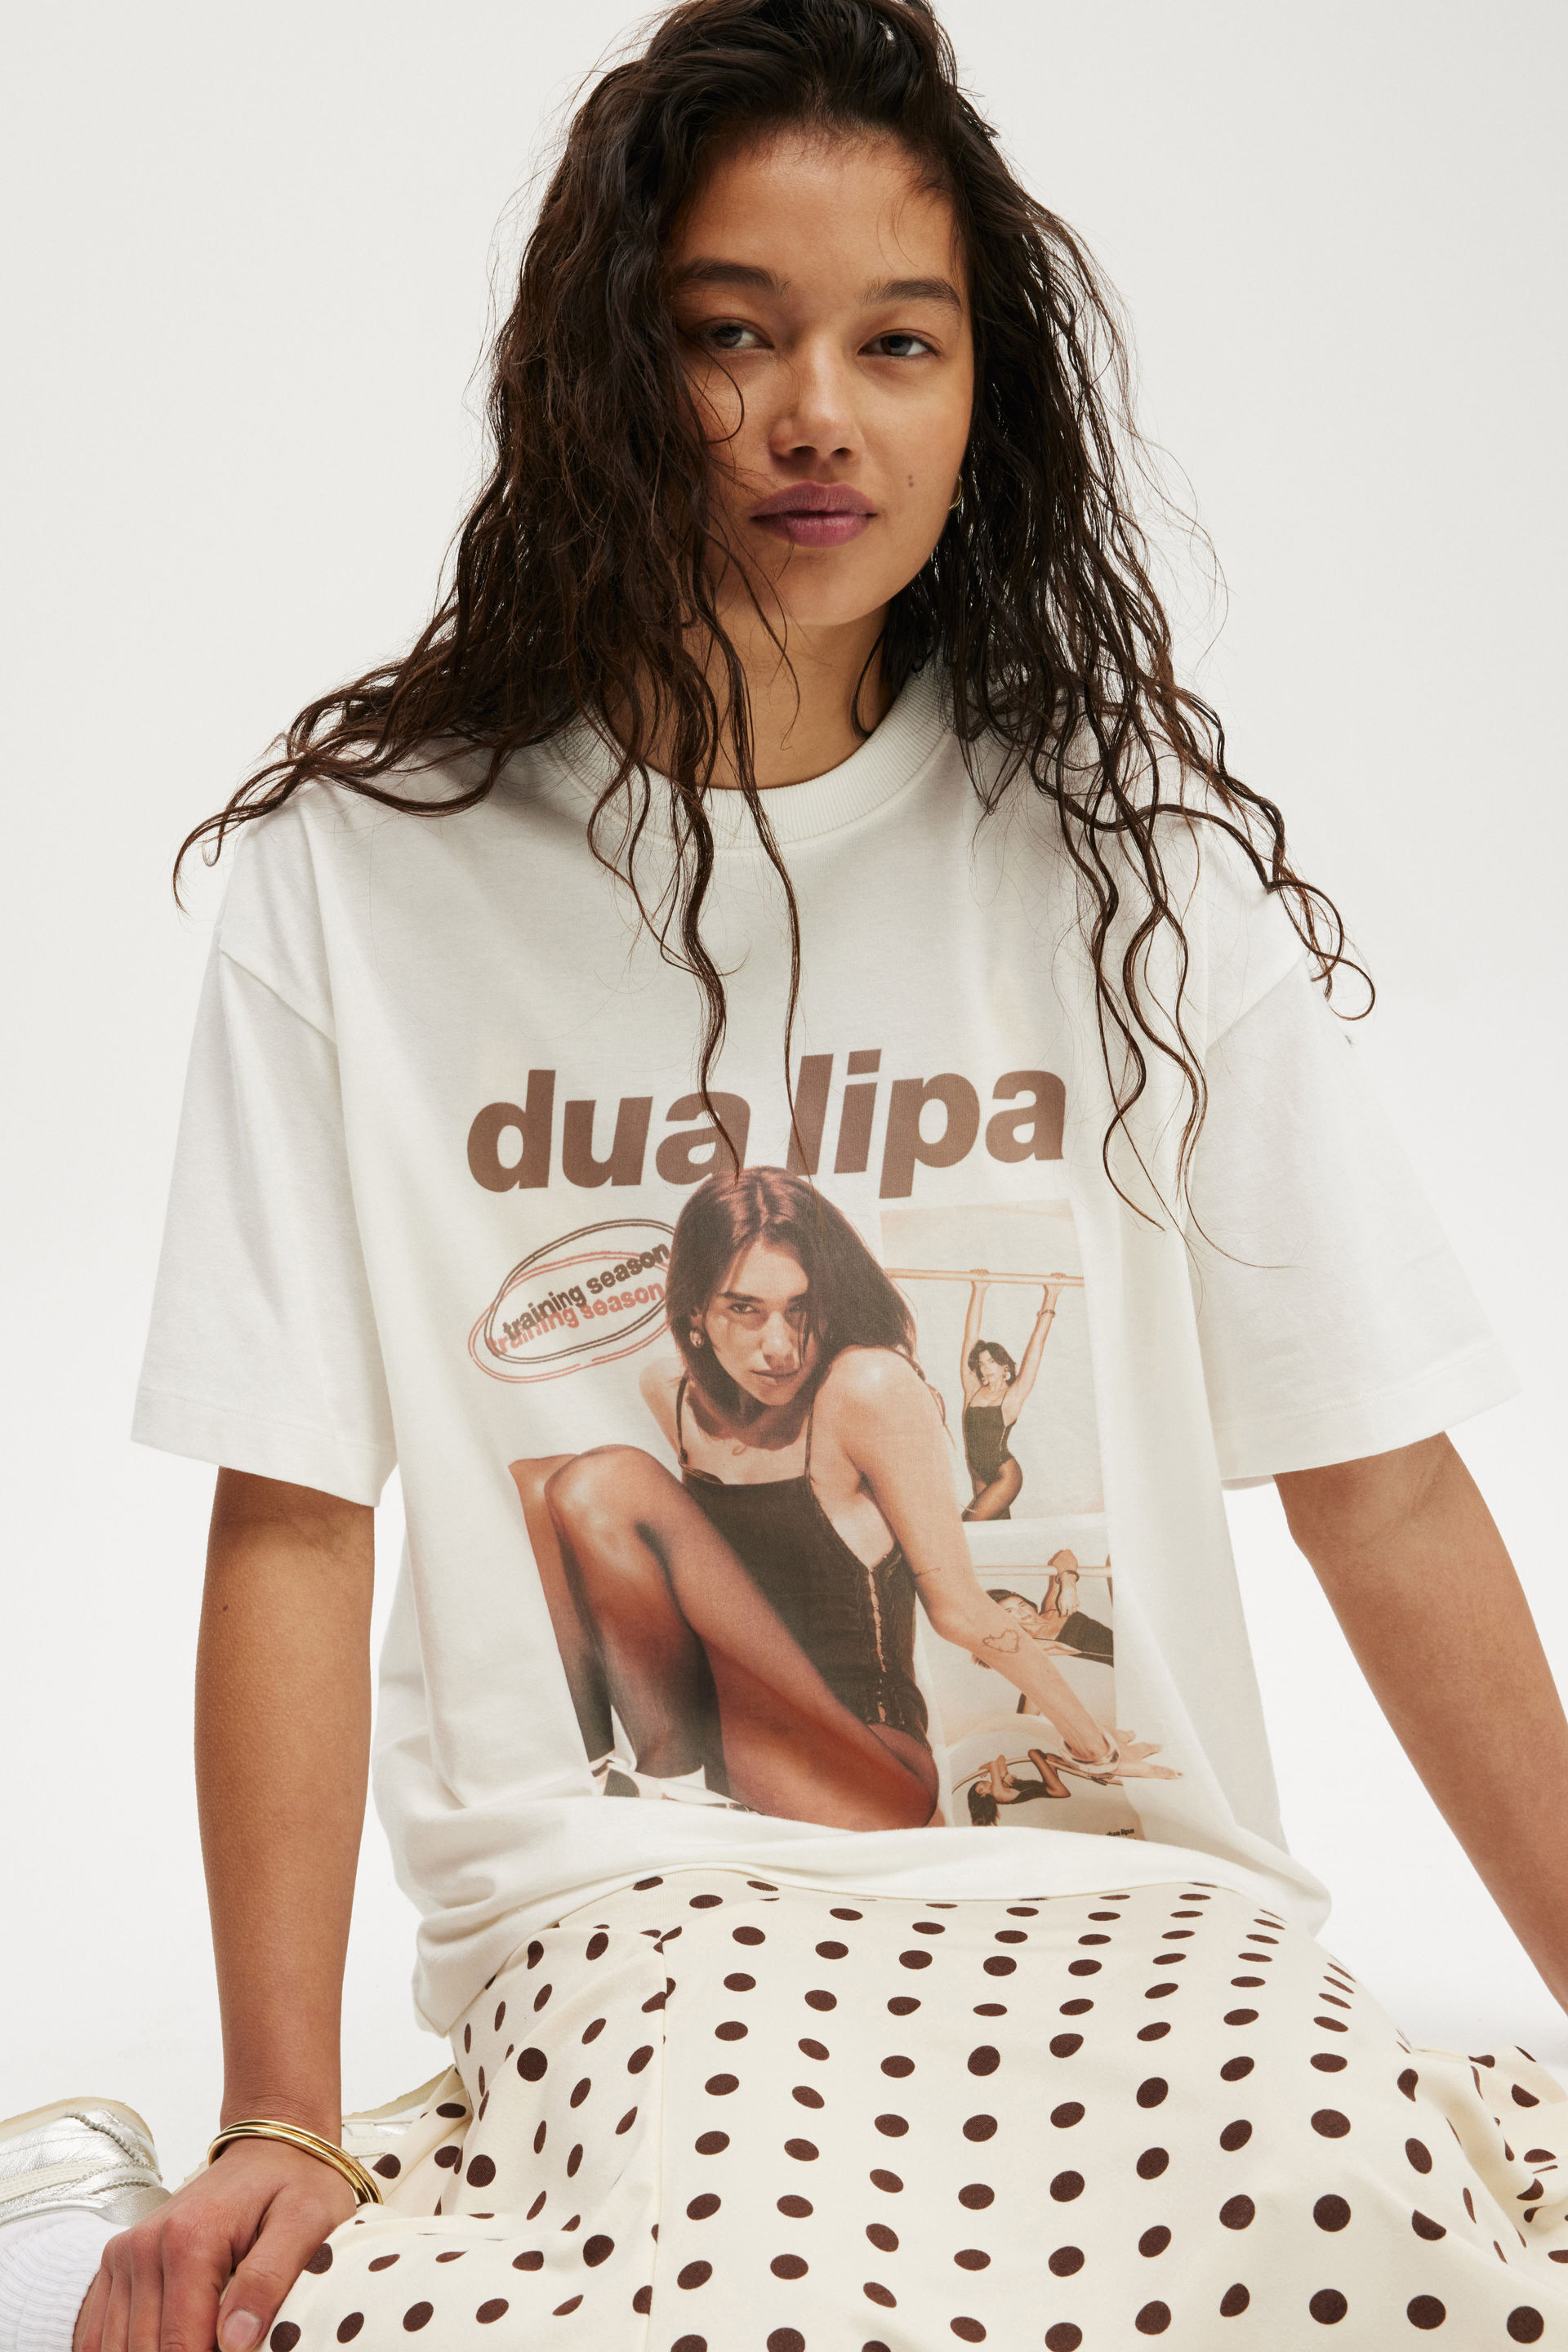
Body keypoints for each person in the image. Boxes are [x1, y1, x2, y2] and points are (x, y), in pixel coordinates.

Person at [6, 2, 1566, 2348]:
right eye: (729, 335)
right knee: (732, 2287)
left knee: (1365, 2237)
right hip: (643, 1918)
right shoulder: (365, 885)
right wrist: (282, 2112)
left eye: (896, 343)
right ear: (599, 381)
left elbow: (1385, 1484)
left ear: (981, 405)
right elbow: (296, 1517)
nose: (815, 412)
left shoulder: (1129, 876)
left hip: (1142, 1924)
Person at [510, 1168, 1128, 1831]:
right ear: (695, 1314)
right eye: (744, 1309)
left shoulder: (866, 1386)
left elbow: (959, 1610)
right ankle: (598, 1770)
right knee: (542, 1483)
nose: (779, 1347)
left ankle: (670, 1785)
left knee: (606, 1479)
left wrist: (1097, 1748)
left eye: (801, 1308)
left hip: (865, 1766)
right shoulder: (672, 1392)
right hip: (736, 1736)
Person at [958, 1276, 1061, 1517]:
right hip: (978, 1474)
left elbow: (1035, 1348)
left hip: (1005, 1475)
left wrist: (1052, 1296)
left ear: (1005, 1366)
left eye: (991, 1362)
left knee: (970, 1527)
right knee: (995, 1532)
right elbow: (970, 1338)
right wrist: (979, 1289)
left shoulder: (1012, 1397)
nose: (985, 1367)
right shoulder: (973, 1390)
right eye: (982, 1363)